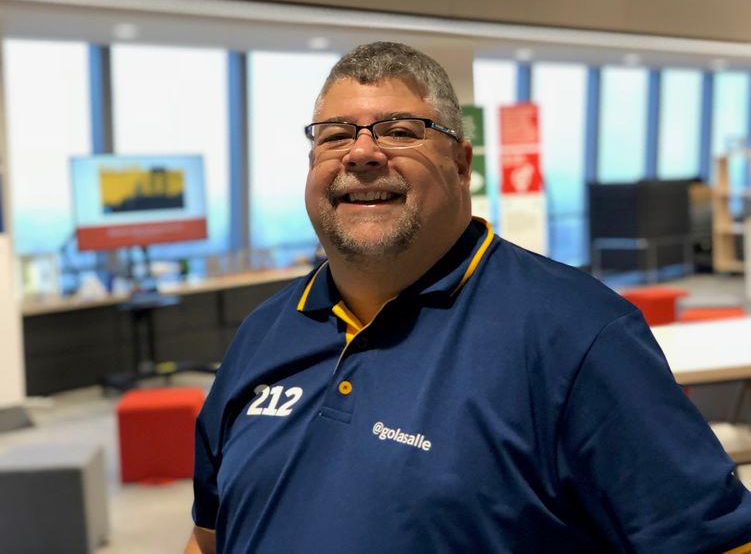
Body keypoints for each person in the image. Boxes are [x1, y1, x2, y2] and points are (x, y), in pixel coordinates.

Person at [186, 42, 751, 554]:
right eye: (335, 134)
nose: (360, 154)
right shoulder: (262, 334)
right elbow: (209, 537)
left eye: (399, 130)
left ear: (461, 164)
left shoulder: (578, 335)